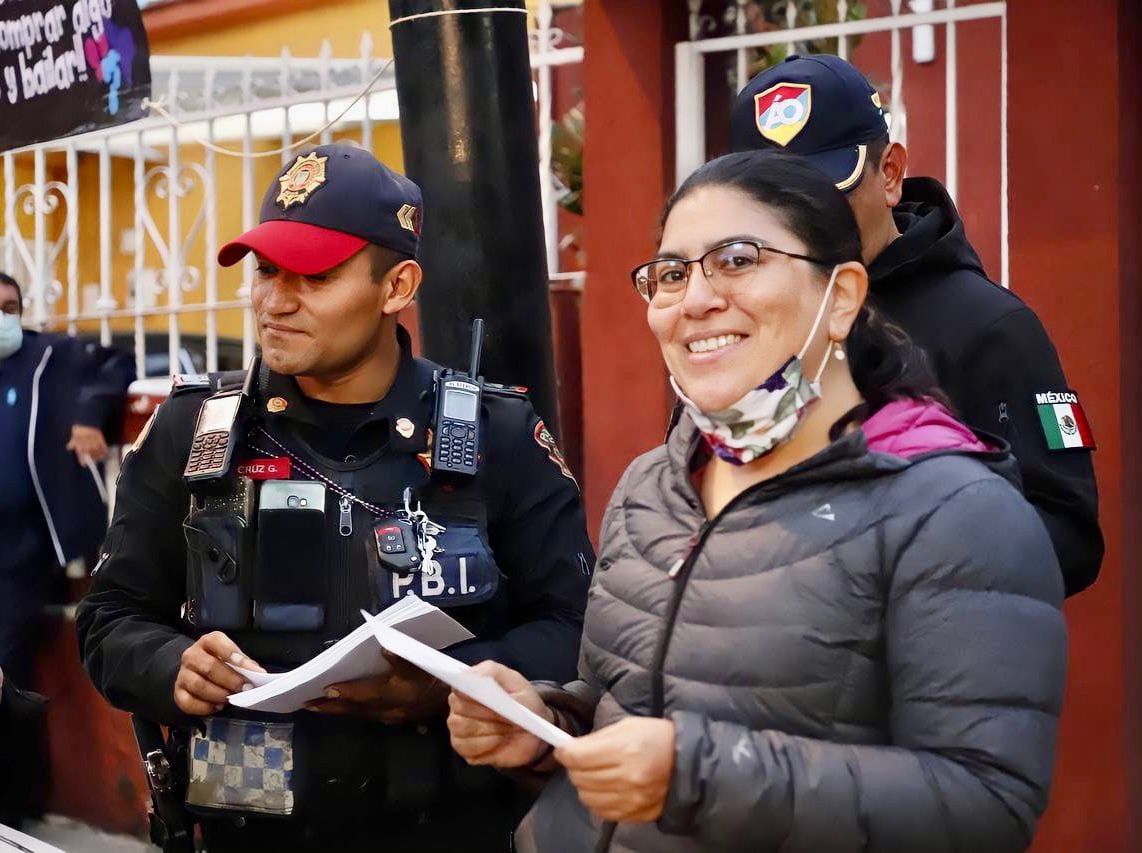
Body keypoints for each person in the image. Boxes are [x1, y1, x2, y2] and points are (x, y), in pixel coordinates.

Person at [445, 151, 1067, 852]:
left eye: (737, 260)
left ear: (842, 297)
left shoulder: (955, 511)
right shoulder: (652, 485)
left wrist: (699, 775)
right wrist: (545, 725)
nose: (695, 300)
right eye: (671, 274)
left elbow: (984, 803)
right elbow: (627, 702)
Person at [76, 143, 594, 852]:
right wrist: (172, 667)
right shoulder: (195, 428)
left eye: (315, 276)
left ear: (396, 286)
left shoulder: (494, 433)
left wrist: (453, 686)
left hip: (444, 828)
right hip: (246, 831)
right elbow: (109, 618)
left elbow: (576, 626)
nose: (274, 301)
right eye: (266, 270)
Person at [728, 54, 1102, 596]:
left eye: (822, 192)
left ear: (889, 173)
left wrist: (892, 560)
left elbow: (1069, 539)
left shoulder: (992, 326)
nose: (799, 222)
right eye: (771, 203)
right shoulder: (730, 323)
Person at [0, 272, 132, 827]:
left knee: (7, 667)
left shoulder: (49, 356)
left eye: (10, 306)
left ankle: (15, 803)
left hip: (23, 547)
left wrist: (88, 417)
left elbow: (117, 364)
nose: (3, 318)